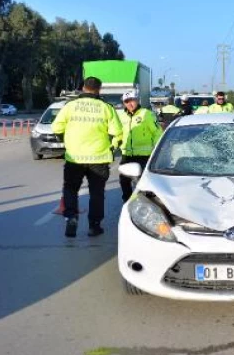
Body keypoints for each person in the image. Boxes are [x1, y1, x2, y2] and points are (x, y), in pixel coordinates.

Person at [52, 77, 122, 238]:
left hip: (74, 158)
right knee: (97, 194)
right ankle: (94, 226)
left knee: (70, 189)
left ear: (83, 87)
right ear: (99, 89)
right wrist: (113, 147)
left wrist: (65, 141)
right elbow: (117, 133)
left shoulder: (70, 106)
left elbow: (56, 127)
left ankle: (71, 217)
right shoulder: (106, 108)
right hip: (99, 158)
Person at [115, 91, 163, 203]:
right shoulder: (121, 116)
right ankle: (127, 201)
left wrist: (156, 150)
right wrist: (113, 145)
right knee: (124, 180)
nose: (130, 104)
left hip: (144, 155)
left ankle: (147, 203)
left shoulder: (147, 114)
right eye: (126, 102)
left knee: (144, 182)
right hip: (127, 155)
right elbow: (119, 134)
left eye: (132, 100)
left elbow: (157, 132)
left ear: (137, 100)